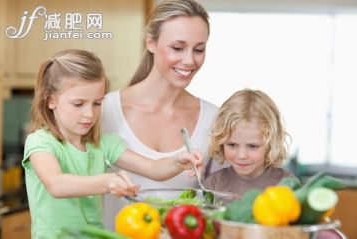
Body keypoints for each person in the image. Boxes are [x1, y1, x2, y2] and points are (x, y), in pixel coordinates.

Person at [22, 49, 202, 239]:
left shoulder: (103, 144)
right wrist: (106, 182)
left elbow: (154, 168)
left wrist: (177, 162)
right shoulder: (41, 142)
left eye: (97, 103)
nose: (90, 114)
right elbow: (56, 185)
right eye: (78, 104)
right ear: (51, 100)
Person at [101, 0, 225, 229]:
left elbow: (224, 195)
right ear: (150, 42)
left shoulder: (215, 119)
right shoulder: (103, 112)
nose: (189, 60)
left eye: (199, 49)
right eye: (178, 48)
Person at [203, 89, 297, 196]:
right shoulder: (213, 184)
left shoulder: (287, 184)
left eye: (252, 146)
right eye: (232, 145)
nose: (242, 156)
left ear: (271, 144)